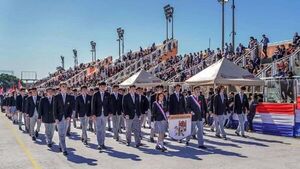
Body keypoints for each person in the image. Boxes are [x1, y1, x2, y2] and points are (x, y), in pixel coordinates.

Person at [53, 82, 74, 156]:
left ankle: (60, 145)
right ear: (60, 88)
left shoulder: (70, 97)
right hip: (59, 118)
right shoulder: (56, 97)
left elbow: (71, 108)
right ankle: (64, 149)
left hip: (66, 118)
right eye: (63, 86)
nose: (64, 88)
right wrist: (55, 118)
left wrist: (69, 116)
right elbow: (54, 109)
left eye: (65, 86)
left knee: (64, 133)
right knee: (61, 134)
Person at [91, 82, 111, 150]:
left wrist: (109, 113)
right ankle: (99, 144)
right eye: (101, 86)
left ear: (105, 87)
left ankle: (103, 143)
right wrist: (93, 114)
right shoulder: (95, 94)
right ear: (99, 87)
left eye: (104, 86)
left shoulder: (108, 94)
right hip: (97, 114)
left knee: (103, 130)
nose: (103, 87)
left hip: (105, 114)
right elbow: (93, 105)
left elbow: (109, 104)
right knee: (99, 129)